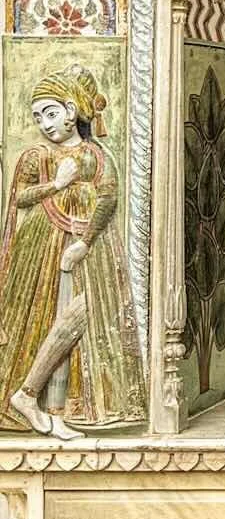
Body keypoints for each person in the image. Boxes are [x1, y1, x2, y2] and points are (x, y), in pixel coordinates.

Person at [0, 71, 146, 437]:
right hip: (42, 246)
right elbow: (19, 197)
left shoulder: (96, 153)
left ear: (70, 110)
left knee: (79, 317)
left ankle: (38, 400)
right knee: (56, 318)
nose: (44, 124)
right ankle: (35, 401)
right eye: (37, 118)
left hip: (86, 248)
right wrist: (57, 184)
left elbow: (108, 198)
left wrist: (84, 243)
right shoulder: (39, 155)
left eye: (49, 113)